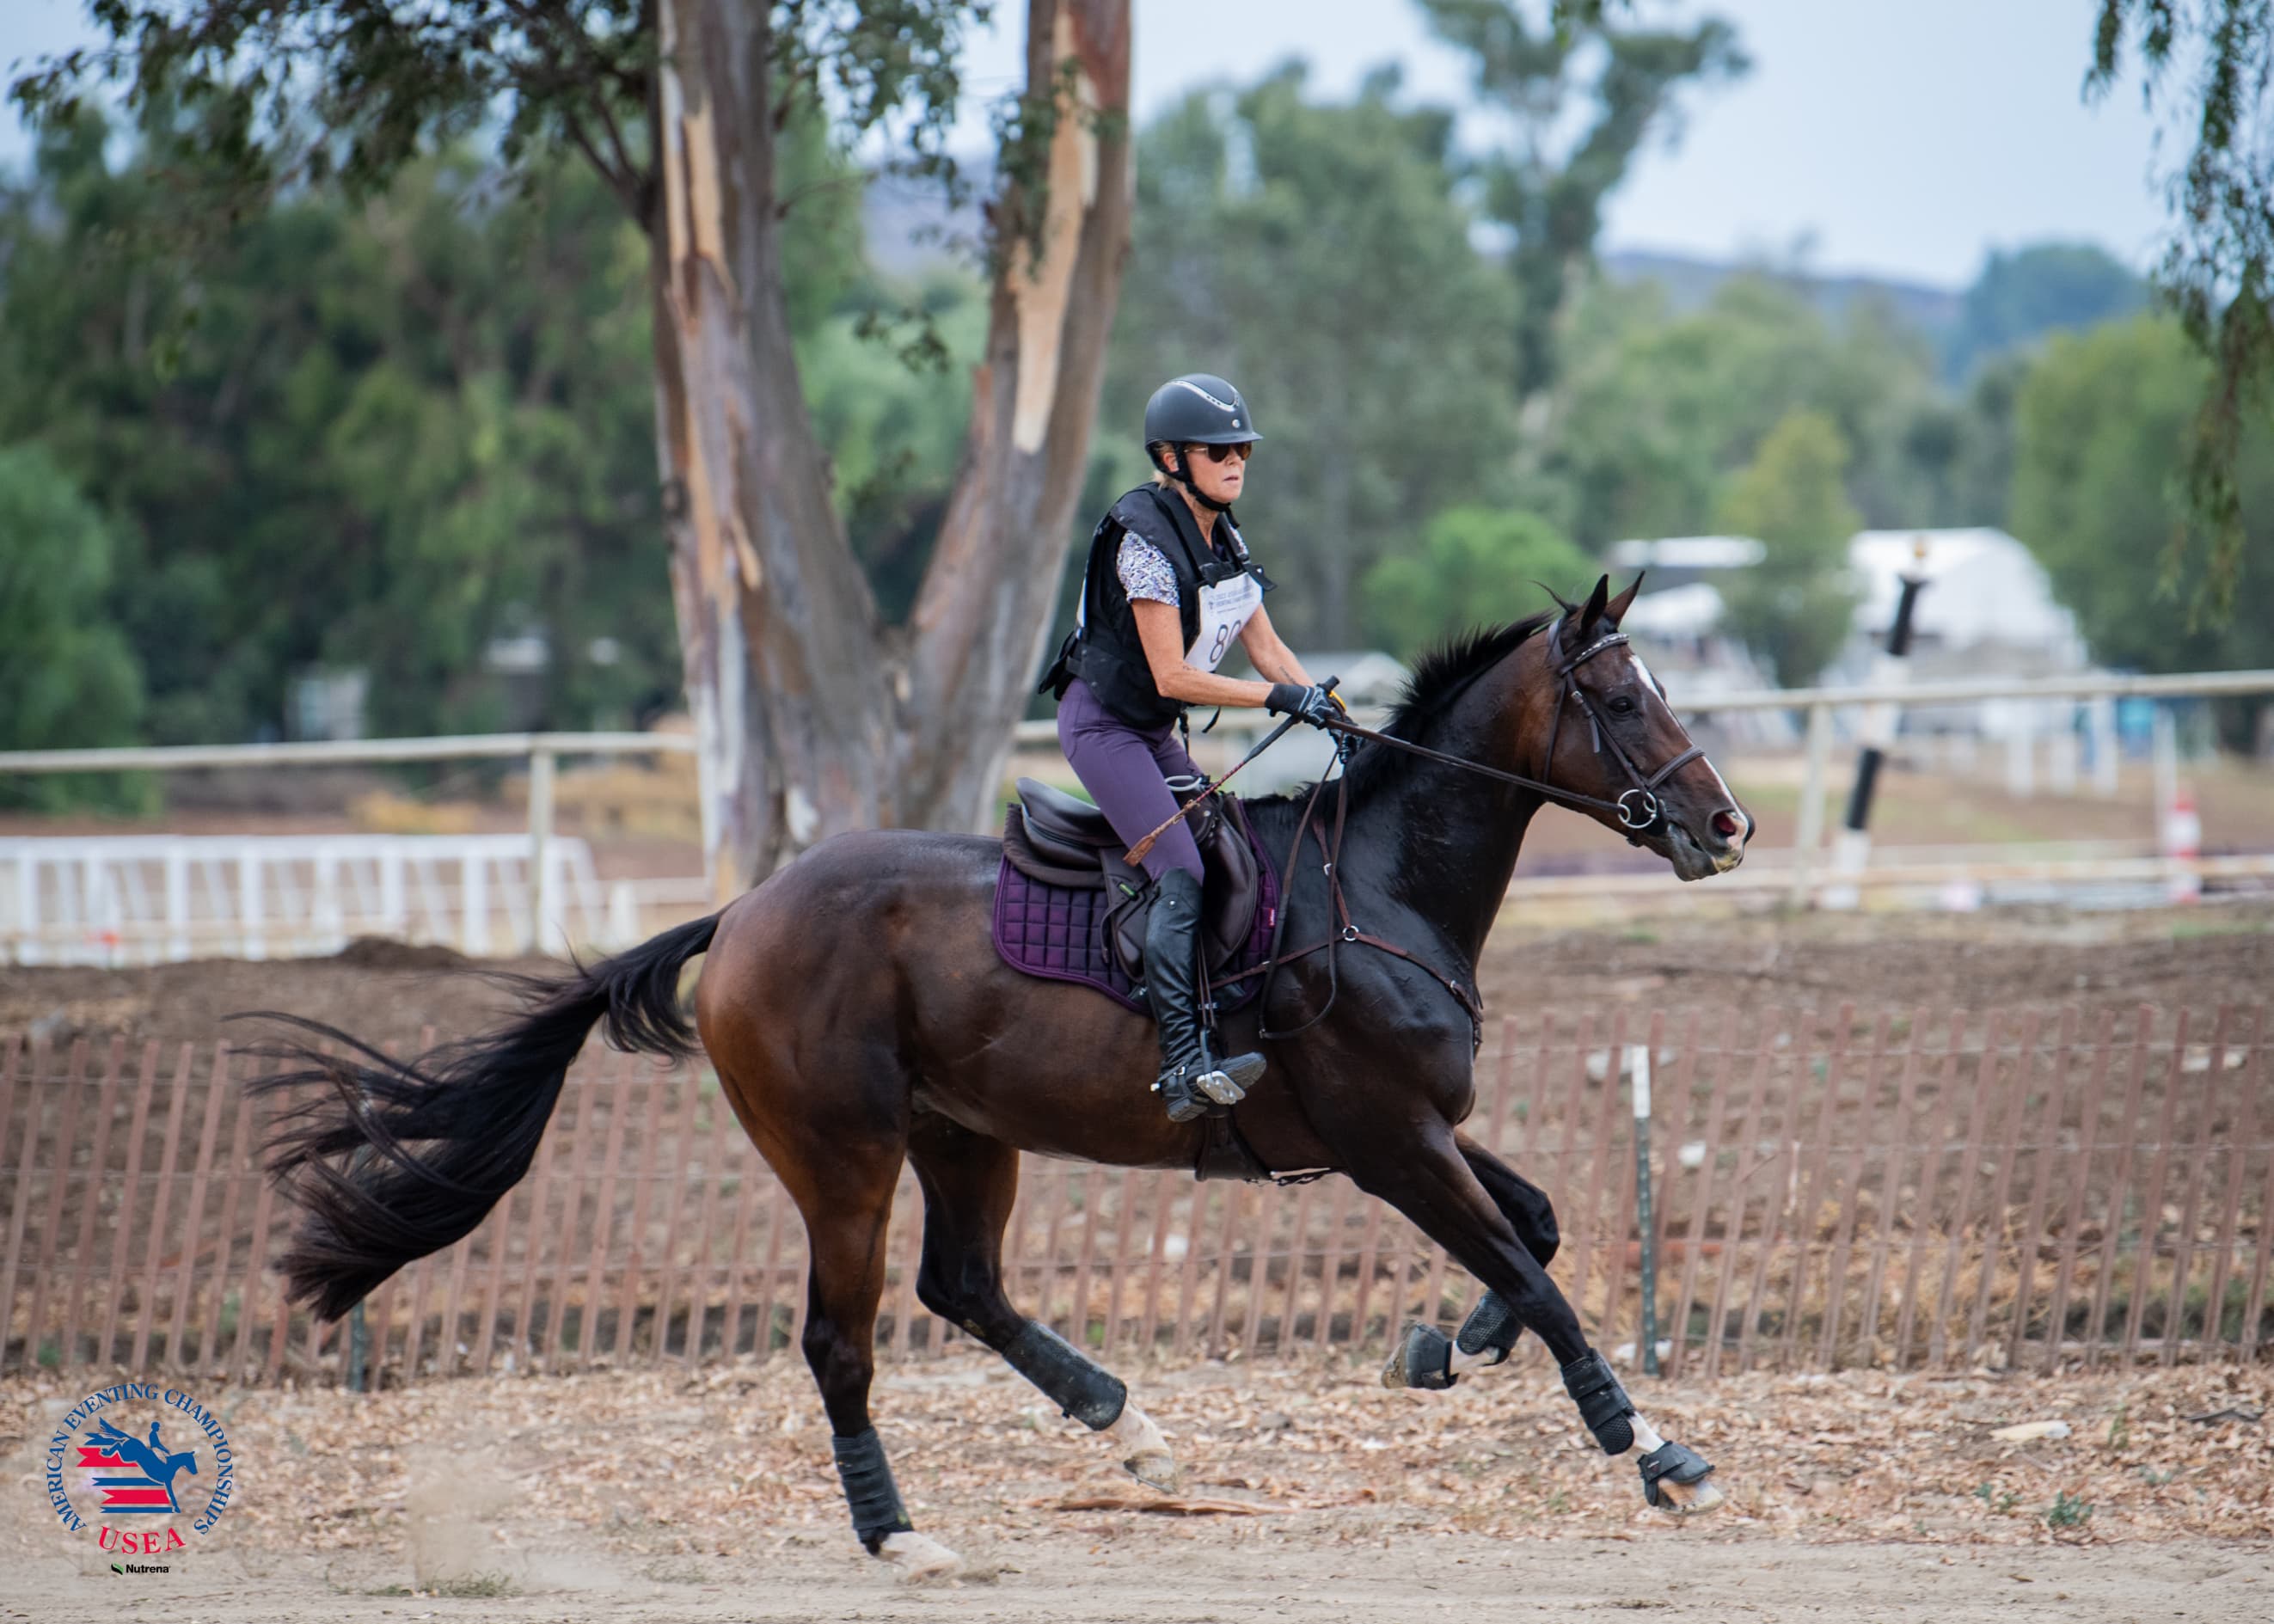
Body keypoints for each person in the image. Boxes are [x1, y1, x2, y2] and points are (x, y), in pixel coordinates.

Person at [1039, 374, 1343, 1123]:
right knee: (1179, 868)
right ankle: (1180, 1064)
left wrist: (1338, 716)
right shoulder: (1141, 540)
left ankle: (1218, 1014)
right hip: (1102, 728)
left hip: (1148, 730)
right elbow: (1174, 673)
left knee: (1225, 848)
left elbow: (1268, 651)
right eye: (1221, 449)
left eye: (1243, 448)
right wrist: (1279, 701)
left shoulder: (1223, 534)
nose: (1237, 460)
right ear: (1173, 458)